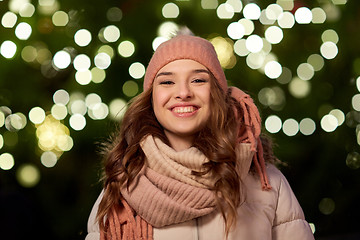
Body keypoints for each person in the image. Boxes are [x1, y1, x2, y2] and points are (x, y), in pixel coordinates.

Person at [85, 31, 315, 240]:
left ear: (217, 94)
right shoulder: (122, 187)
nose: (183, 93)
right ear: (151, 98)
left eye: (198, 80)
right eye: (167, 81)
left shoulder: (269, 185)